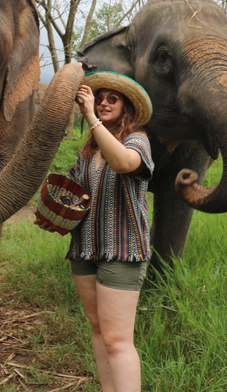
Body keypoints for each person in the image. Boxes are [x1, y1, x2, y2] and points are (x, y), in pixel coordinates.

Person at [37, 71, 154, 392]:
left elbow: (125, 164)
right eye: (98, 98)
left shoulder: (137, 139)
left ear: (126, 106)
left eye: (111, 99)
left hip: (122, 250)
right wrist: (52, 214)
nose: (103, 102)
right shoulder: (88, 151)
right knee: (99, 329)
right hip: (85, 249)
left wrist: (89, 116)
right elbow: (73, 194)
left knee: (118, 339)